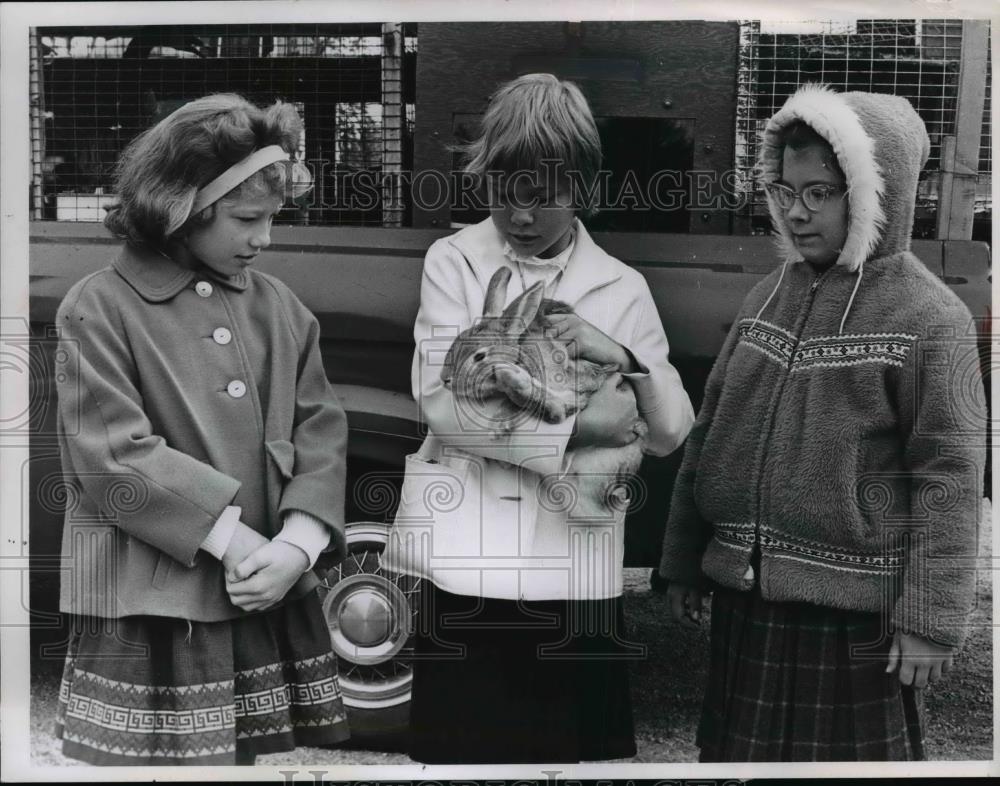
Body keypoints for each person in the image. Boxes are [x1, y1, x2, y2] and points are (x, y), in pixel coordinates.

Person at [659, 84, 986, 761]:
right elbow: (710, 433)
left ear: (875, 194)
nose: (798, 213)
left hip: (851, 619)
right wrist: (686, 561)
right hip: (748, 605)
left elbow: (949, 477)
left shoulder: (929, 318)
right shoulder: (767, 295)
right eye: (786, 190)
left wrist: (929, 618)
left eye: (822, 193)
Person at [381, 73, 695, 763]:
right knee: (465, 754)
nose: (520, 216)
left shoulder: (621, 287)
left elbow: (671, 429)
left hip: (572, 571)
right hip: (468, 566)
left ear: (581, 186)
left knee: (562, 757)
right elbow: (447, 404)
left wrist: (628, 362)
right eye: (504, 191)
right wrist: (588, 427)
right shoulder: (455, 262)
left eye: (543, 196)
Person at [52, 94, 351, 765]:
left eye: (272, 218)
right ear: (179, 207)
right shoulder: (98, 307)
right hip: (147, 603)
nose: (265, 238)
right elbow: (113, 458)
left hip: (256, 587)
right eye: (249, 218)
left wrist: (297, 548)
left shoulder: (282, 309)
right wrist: (240, 541)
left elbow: (321, 430)